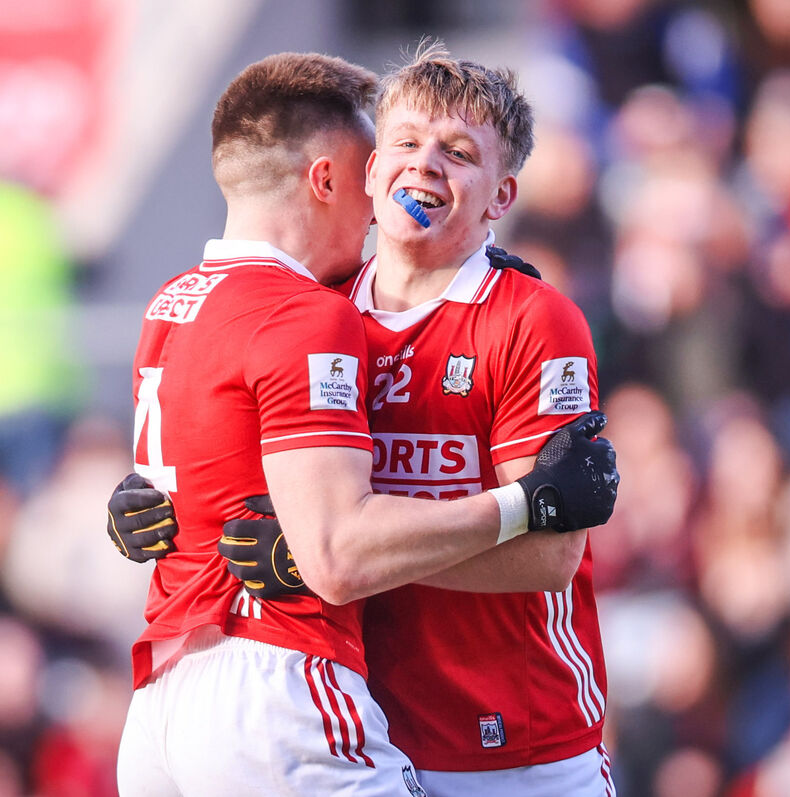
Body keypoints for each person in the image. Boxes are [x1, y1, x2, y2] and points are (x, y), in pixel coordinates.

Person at [109, 51, 618, 797]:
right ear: (373, 169)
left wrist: (334, 557)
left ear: (500, 196)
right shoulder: (318, 309)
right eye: (408, 144)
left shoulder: (532, 319)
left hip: (521, 744)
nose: (427, 166)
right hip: (365, 725)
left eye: (460, 153)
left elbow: (549, 554)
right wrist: (156, 499)